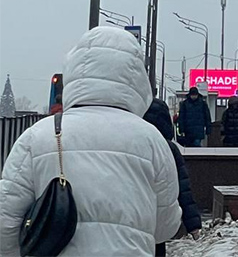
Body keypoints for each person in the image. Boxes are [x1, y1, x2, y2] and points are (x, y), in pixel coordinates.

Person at [0, 26, 181, 257]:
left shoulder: (37, 136)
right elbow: (166, 226)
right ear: (137, 77)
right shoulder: (152, 139)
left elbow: (5, 218)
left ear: (74, 70)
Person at [144, 99, 201, 255]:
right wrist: (193, 223)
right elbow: (183, 187)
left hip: (134, 216)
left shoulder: (134, 143)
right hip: (158, 220)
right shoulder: (168, 148)